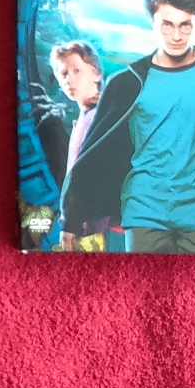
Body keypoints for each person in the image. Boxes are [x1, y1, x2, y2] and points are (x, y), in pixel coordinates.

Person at [60, 0, 195, 254]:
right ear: (152, 22)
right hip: (144, 214)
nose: (176, 36)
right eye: (167, 24)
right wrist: (73, 218)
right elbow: (95, 153)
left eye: (185, 25)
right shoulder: (128, 82)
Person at [50, 41, 123, 251]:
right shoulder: (86, 116)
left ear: (96, 74)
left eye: (77, 71)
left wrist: (72, 222)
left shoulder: (100, 119)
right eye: (63, 73)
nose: (69, 79)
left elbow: (92, 176)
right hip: (91, 225)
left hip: (102, 228)